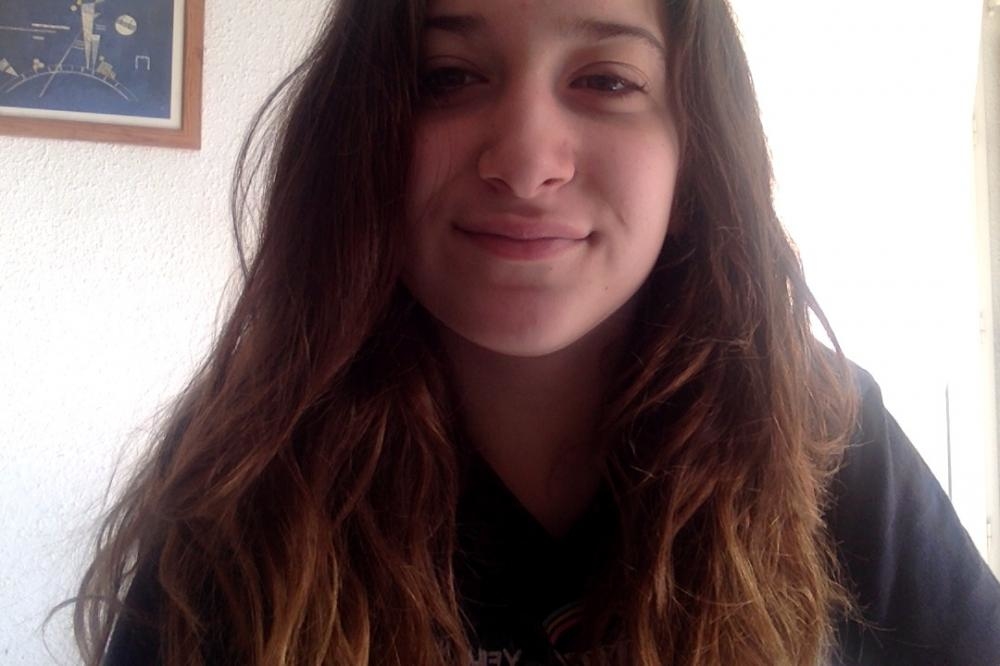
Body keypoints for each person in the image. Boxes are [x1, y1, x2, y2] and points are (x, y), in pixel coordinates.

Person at [72, 0, 1000, 664]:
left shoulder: (828, 431)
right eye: (448, 76)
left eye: (607, 80)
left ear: (695, 159)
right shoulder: (248, 461)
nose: (523, 161)